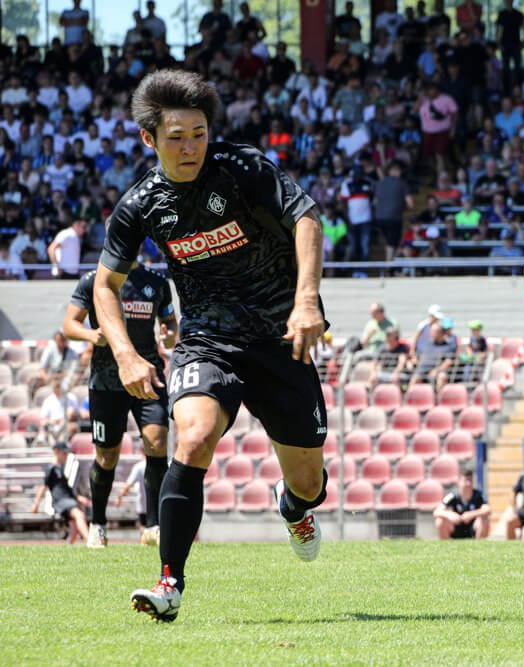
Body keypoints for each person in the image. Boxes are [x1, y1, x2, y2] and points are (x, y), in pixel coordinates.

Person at [94, 70, 329, 622]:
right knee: (194, 437)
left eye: (198, 133)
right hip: (207, 339)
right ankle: (169, 583)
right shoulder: (140, 205)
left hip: (281, 337)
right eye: (176, 136)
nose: (190, 147)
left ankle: (293, 507)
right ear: (149, 139)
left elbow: (306, 218)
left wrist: (307, 300)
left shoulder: (241, 166)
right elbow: (105, 284)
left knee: (310, 483)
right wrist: (127, 352)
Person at [62, 262, 177, 549]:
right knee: (107, 456)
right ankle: (98, 524)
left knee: (157, 441)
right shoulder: (92, 281)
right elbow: (68, 325)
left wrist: (171, 333)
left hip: (148, 377)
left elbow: (170, 321)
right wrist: (91, 335)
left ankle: (153, 526)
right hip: (106, 383)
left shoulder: (156, 282)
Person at [31, 441, 90, 543]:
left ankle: (69, 546)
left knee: (74, 527)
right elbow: (43, 487)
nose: (66, 457)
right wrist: (36, 504)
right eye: (64, 454)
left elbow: (66, 489)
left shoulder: (61, 469)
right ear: (56, 452)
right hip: (61, 501)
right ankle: (90, 542)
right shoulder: (51, 469)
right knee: (79, 515)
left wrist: (78, 498)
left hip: (67, 500)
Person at [372, 161, 413, 262]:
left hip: (379, 219)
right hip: (394, 218)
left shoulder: (380, 184)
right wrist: (402, 207)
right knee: (392, 243)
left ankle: (391, 265)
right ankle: (388, 267)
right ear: (398, 171)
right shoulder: (402, 184)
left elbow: (375, 202)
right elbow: (410, 204)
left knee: (390, 243)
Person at [434, 469, 491, 539]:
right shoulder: (452, 495)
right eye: (465, 480)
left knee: (484, 520)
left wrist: (471, 514)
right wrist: (449, 514)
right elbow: (437, 511)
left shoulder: (479, 495)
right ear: (459, 482)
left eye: (470, 480)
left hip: (472, 528)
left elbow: (487, 509)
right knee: (440, 521)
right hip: (456, 528)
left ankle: (479, 545)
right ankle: (445, 545)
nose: (468, 483)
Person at [116, 458, 156, 542]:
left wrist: (120, 497)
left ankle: (146, 541)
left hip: (143, 504)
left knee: (143, 526)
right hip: (154, 504)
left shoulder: (139, 466)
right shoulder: (161, 465)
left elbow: (128, 484)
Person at [411, 322, 457, 392]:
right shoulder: (424, 343)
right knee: (415, 379)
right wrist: (413, 360)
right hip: (422, 370)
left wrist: (437, 370)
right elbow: (415, 355)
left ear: (441, 333)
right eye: (431, 331)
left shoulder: (448, 346)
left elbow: (448, 362)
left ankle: (440, 400)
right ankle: (410, 400)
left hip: (438, 371)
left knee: (442, 377)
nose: (431, 333)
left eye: (434, 331)